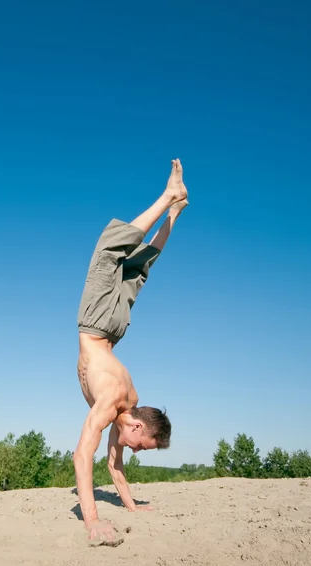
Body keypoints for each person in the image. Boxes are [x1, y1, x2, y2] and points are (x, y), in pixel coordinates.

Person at [73, 159, 188, 543]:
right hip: (99, 326)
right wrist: (93, 522)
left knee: (139, 268)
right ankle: (168, 198)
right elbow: (81, 455)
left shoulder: (127, 405)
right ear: (137, 426)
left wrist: (133, 507)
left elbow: (113, 465)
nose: (137, 451)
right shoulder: (114, 400)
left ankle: (174, 212)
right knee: (111, 250)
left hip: (113, 331)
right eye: (143, 446)